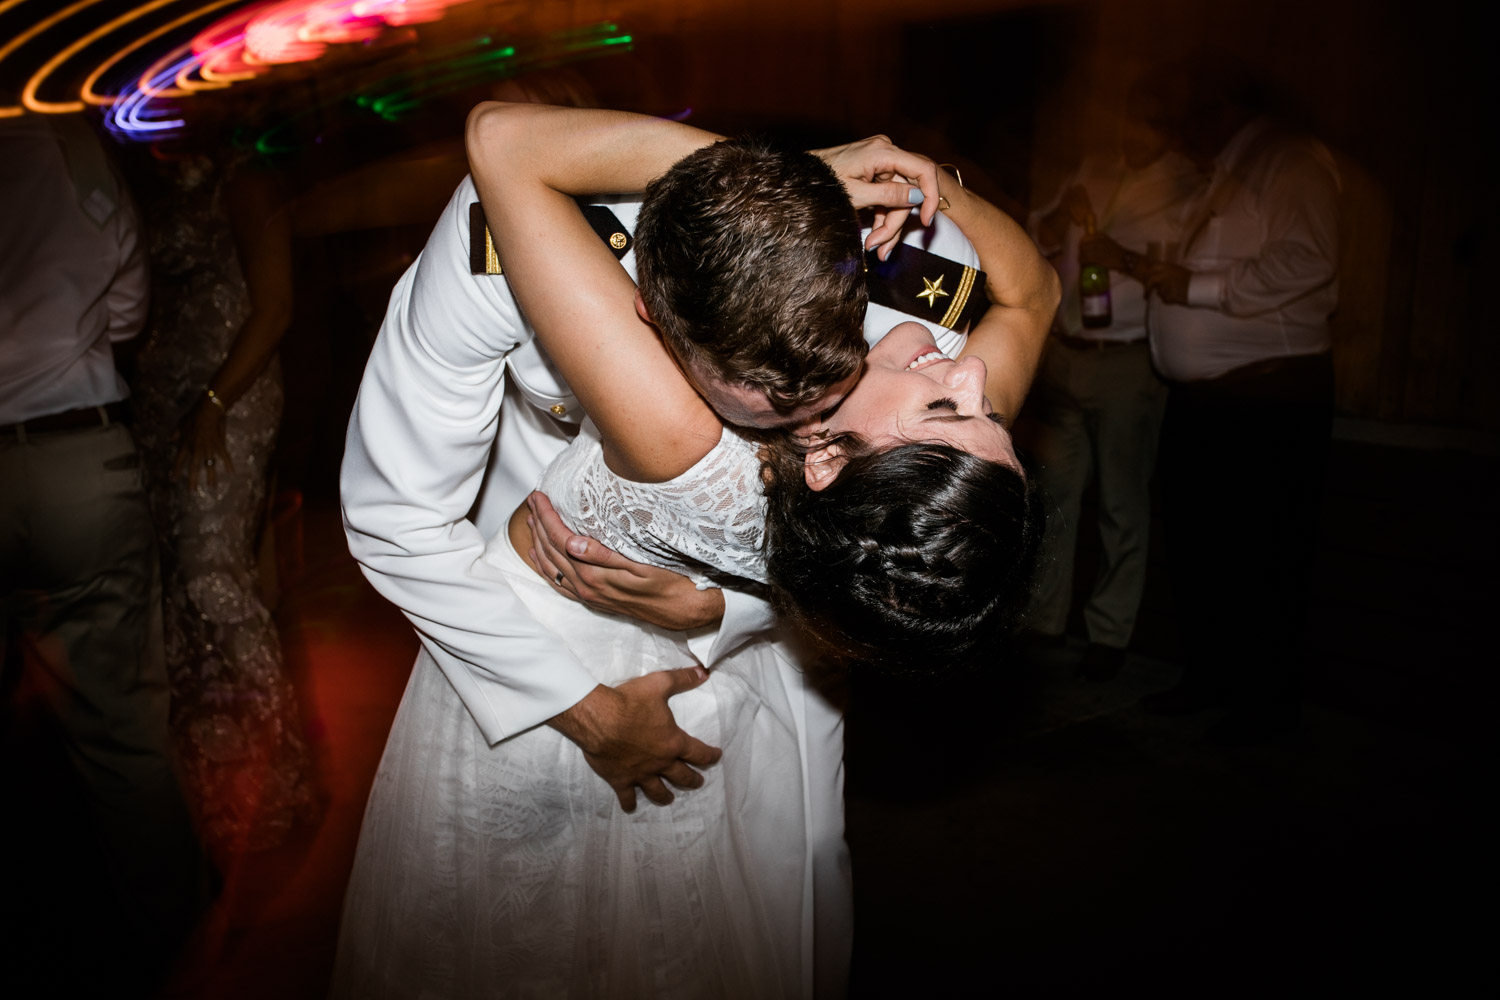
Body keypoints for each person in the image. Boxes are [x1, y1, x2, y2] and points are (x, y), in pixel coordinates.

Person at [334, 104, 1054, 996]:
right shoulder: (504, 244)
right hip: (529, 631)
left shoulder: (910, 341)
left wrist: (724, 610)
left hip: (754, 686)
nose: (968, 380)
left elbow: (873, 575)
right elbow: (396, 518)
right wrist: (580, 704)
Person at [0, 113, 207, 991]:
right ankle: (180, 939)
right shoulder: (68, 140)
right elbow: (127, 308)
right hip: (72, 454)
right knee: (119, 723)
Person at [1142, 63, 1340, 745]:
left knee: (1265, 558)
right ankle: (1211, 681)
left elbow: (1310, 260)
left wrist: (1197, 288)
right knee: (1203, 552)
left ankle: (1266, 707)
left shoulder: (1290, 161)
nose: (1177, 119)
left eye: (1191, 103)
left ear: (1225, 103)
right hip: (1209, 403)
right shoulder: (1229, 169)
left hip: (1268, 399)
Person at [130, 147, 318, 858]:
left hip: (227, 400)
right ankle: (212, 781)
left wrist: (213, 403)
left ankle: (280, 783)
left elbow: (274, 306)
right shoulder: (141, 169)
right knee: (178, 590)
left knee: (214, 575)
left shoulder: (247, 169)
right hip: (160, 400)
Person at [1024, 72, 1205, 679]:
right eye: (1133, 113)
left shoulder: (1188, 184)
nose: (1138, 127)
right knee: (1057, 498)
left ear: (1172, 124)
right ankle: (1046, 624)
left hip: (1128, 359)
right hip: (1068, 351)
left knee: (1122, 504)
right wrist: (1056, 221)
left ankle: (1109, 635)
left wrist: (1121, 258)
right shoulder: (1094, 166)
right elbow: (1040, 234)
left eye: (1153, 117)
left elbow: (1189, 270)